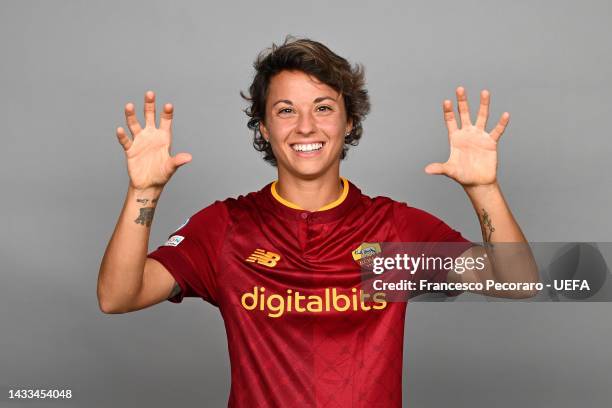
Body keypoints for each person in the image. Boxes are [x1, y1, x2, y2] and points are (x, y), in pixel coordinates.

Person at [97, 37, 538, 407]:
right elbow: (118, 296)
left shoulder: (392, 231)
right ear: (264, 128)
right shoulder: (226, 227)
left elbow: (519, 284)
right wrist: (144, 192)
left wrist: (483, 188)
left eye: (324, 108)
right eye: (286, 110)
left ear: (349, 122)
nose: (306, 126)